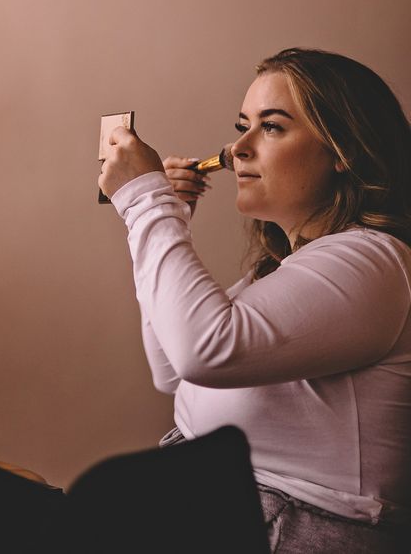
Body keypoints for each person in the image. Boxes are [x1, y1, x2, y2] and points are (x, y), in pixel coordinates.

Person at [98, 48, 411, 553]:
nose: (237, 148)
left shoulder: (371, 262)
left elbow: (202, 350)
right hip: (228, 510)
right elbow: (172, 369)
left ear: (343, 151)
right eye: (242, 125)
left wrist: (146, 200)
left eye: (271, 127)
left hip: (292, 531)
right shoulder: (289, 271)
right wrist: (165, 216)